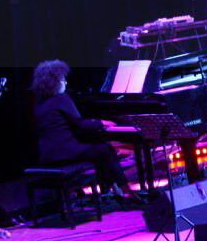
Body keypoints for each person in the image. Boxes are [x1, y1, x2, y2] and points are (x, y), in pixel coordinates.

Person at [31, 59, 142, 203]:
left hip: (48, 154)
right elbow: (80, 124)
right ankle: (127, 191)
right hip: (65, 151)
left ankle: (115, 190)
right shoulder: (61, 98)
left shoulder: (39, 102)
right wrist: (101, 122)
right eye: (63, 79)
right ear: (54, 81)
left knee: (98, 151)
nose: (66, 82)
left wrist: (95, 124)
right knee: (105, 150)